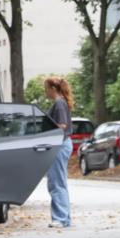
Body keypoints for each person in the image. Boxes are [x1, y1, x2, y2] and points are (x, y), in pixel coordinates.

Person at [44, 77, 75, 228]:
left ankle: (60, 218)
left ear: (53, 89)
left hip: (60, 145)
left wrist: (46, 128)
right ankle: (65, 218)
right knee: (59, 182)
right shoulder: (61, 102)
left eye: (46, 89)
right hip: (62, 144)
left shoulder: (59, 103)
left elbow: (62, 125)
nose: (46, 92)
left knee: (56, 182)